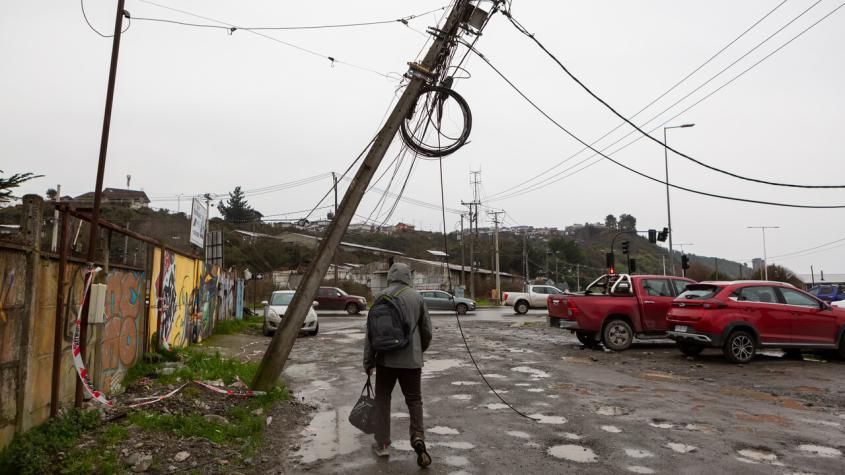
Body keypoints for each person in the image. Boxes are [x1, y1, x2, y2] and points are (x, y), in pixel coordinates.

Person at [363, 262, 433, 467]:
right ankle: (418, 437)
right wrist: (419, 351)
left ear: (391, 276)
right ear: (408, 276)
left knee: (383, 400)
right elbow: (427, 331)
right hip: (412, 362)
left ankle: (383, 444)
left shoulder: (379, 297)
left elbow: (370, 334)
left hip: (385, 359)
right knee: (414, 400)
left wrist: (368, 361)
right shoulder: (417, 297)